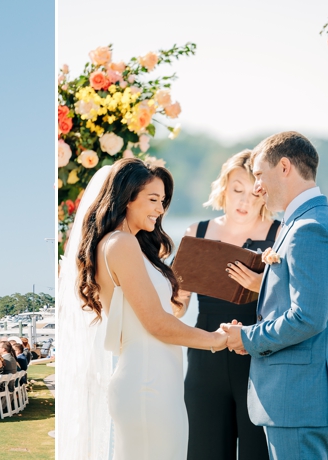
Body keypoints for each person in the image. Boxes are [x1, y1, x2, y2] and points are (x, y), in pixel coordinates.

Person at [60, 158, 228, 459]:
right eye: (153, 200)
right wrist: (217, 340)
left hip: (157, 381)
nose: (160, 210)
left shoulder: (131, 247)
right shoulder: (121, 244)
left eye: (162, 202)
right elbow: (156, 323)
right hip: (147, 385)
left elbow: (166, 313)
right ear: (127, 198)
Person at [221, 132, 328, 459]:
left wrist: (247, 338)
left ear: (284, 167)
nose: (256, 188)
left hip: (297, 397)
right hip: (298, 395)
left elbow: (307, 317)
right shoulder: (309, 221)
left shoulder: (309, 228)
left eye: (259, 175)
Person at [178, 150, 277, 460]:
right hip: (206, 353)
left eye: (253, 192)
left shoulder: (280, 234)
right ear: (223, 188)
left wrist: (260, 286)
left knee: (257, 452)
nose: (244, 201)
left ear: (265, 194)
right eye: (237, 190)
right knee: (203, 451)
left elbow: (297, 305)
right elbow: (177, 306)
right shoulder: (198, 232)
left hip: (259, 357)